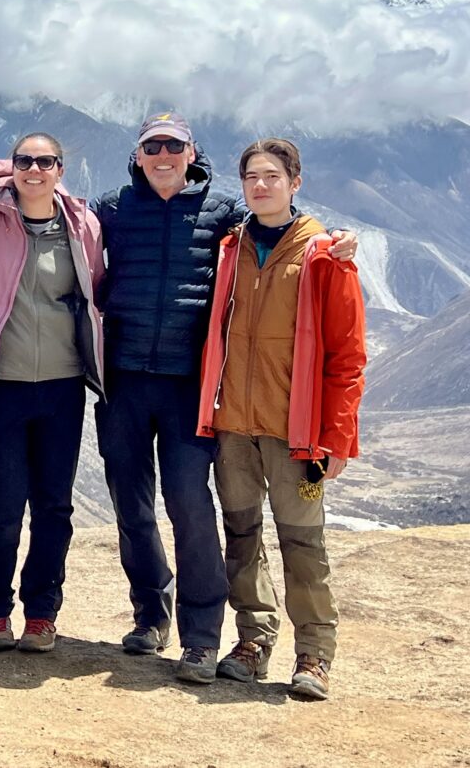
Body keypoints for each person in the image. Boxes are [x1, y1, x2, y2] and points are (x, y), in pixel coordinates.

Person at [90, 111, 357, 684]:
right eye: (151, 145)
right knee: (133, 507)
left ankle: (203, 636)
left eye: (174, 145)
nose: (163, 154)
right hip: (125, 383)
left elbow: (286, 232)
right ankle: (151, 616)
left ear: (192, 154)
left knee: (191, 506)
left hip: (192, 389)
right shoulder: (112, 209)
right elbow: (53, 225)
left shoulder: (224, 216)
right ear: (138, 155)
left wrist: (337, 241)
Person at [198, 137, 365, 700]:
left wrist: (337, 434)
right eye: (252, 177)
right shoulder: (231, 248)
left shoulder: (324, 255)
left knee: (303, 540)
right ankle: (252, 639)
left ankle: (314, 653)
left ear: (296, 182)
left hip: (300, 433)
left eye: (273, 176)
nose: (261, 185)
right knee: (241, 535)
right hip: (234, 426)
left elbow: (347, 354)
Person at [0, 132, 104, 654]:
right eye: (25, 161)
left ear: (61, 169)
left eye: (45, 161)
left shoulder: (81, 225)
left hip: (63, 387)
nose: (34, 170)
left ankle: (42, 612)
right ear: (11, 166)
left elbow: (97, 291)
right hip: (0, 386)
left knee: (53, 507)